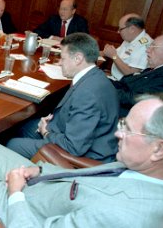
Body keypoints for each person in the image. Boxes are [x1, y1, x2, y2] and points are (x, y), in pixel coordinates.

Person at [0, 95, 163, 228]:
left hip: (26, 209)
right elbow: (83, 178)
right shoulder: (142, 168)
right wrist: (38, 168)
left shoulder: (124, 215)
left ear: (159, 148)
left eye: (128, 129)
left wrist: (15, 193)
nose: (118, 133)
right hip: (45, 183)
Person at [7, 33, 119, 162]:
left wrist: (46, 133)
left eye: (63, 58)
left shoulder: (87, 93)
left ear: (78, 58)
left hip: (85, 154)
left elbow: (73, 147)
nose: (59, 63)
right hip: (74, 133)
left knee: (13, 144)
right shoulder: (95, 77)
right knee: (25, 127)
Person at [112, 34, 163, 117]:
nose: (147, 50)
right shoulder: (156, 69)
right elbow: (127, 83)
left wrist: (106, 90)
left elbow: (139, 99)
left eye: (154, 47)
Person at [102, 13, 152, 80]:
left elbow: (131, 74)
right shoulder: (131, 38)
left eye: (120, 29)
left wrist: (114, 56)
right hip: (114, 78)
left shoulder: (143, 47)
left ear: (132, 29)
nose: (118, 32)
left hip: (124, 85)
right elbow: (112, 53)